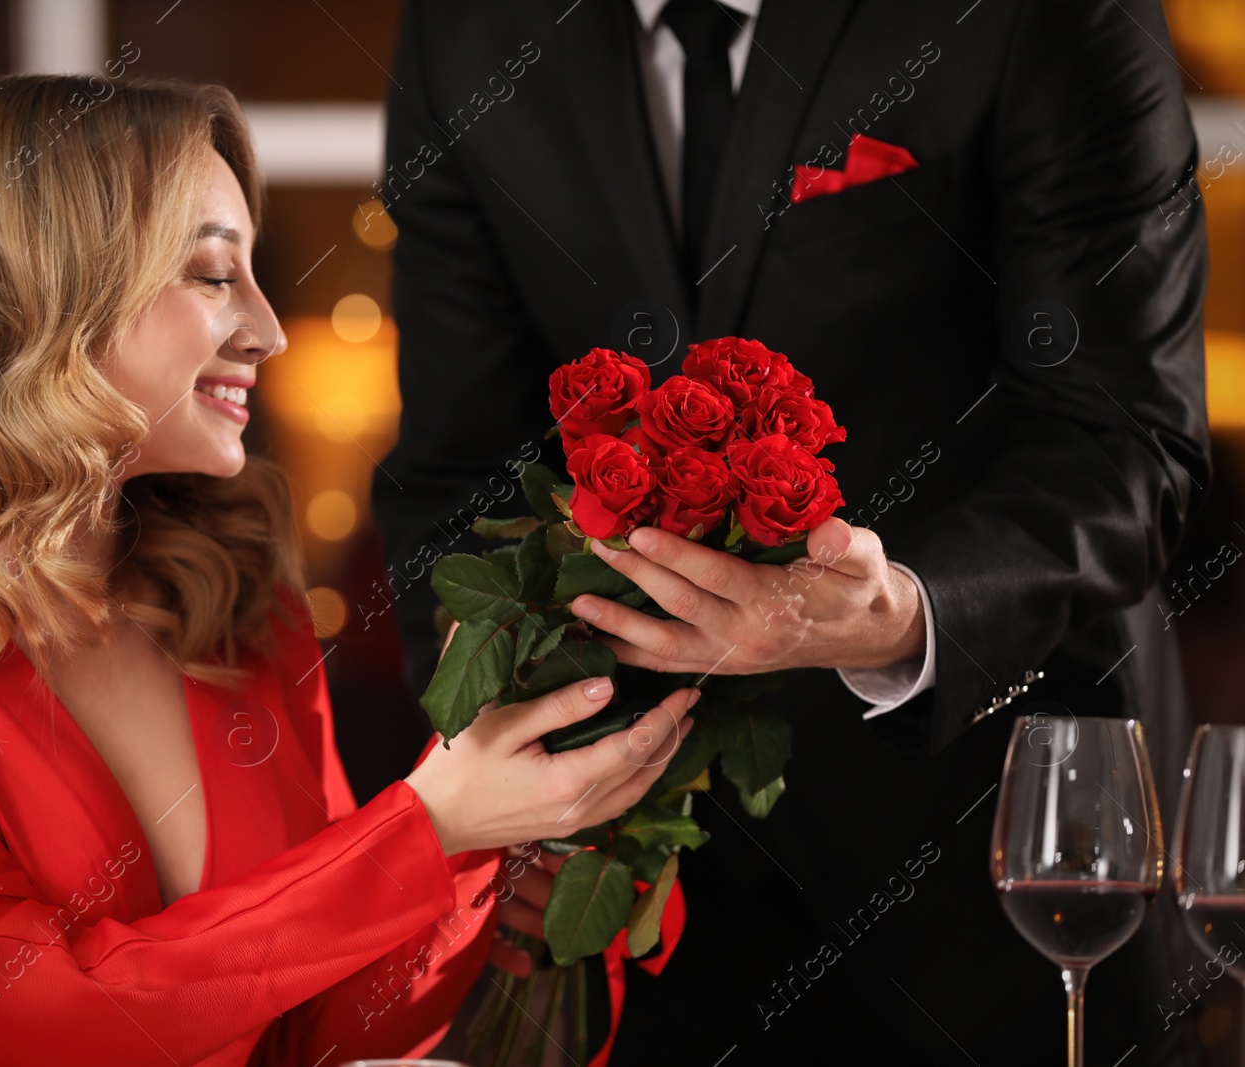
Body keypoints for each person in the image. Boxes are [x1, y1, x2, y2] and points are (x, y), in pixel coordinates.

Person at [0, 74, 698, 1066]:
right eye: (213, 275)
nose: (267, 327)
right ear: (44, 293)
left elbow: (313, 1033)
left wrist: (478, 850)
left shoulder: (233, 602)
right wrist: (424, 830)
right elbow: (22, 1031)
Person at [373, 0, 1210, 1062]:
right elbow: (457, 467)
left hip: (995, 866)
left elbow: (1125, 438)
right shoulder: (466, 30)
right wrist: (493, 786)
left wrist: (902, 612)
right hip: (630, 906)